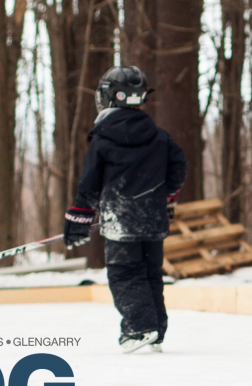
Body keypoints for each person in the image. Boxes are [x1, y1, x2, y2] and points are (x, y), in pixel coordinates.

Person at [63, 65, 187, 354]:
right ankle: (156, 329)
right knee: (150, 272)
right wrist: (167, 195)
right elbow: (179, 166)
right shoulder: (160, 137)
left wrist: (78, 217)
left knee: (125, 273)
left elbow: (90, 182)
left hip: (120, 221)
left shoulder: (103, 137)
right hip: (153, 221)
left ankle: (140, 327)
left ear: (108, 98)